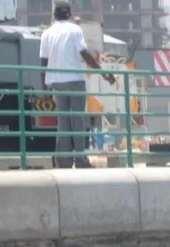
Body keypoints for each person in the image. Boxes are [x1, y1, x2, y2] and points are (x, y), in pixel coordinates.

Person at [40, 1, 115, 169]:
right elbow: (85, 54)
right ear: (70, 14)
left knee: (63, 121)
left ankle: (63, 160)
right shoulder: (75, 30)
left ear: (54, 15)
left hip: (57, 83)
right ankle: (80, 159)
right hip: (75, 80)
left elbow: (43, 63)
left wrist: (44, 88)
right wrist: (103, 73)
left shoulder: (47, 34)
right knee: (77, 121)